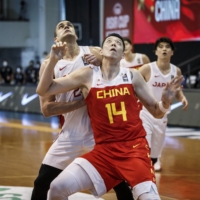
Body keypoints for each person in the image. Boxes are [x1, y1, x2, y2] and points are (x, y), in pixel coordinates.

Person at [36, 33, 183, 200]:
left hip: (134, 151)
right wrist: (53, 61)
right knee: (57, 187)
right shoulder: (87, 74)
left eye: (118, 43)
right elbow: (44, 90)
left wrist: (165, 101)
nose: (114, 44)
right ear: (101, 51)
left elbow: (157, 111)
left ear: (122, 54)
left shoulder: (132, 75)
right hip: (103, 152)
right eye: (109, 42)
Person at [31, 21, 133, 200]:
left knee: (120, 182)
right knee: (41, 182)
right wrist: (81, 103)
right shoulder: (49, 64)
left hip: (98, 134)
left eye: (69, 25)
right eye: (61, 26)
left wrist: (102, 61)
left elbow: (119, 69)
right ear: (56, 38)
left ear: (76, 35)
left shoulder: (93, 51)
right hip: (70, 135)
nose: (66, 26)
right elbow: (46, 109)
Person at [139, 37, 188, 171]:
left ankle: (155, 159)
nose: (164, 49)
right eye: (160, 47)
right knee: (145, 140)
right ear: (155, 51)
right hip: (146, 112)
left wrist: (182, 98)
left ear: (172, 52)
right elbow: (133, 85)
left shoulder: (176, 71)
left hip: (163, 113)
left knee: (158, 142)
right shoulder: (146, 69)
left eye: (167, 47)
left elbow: (176, 90)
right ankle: (144, 164)